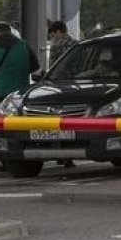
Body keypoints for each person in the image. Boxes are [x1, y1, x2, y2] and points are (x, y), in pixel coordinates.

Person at [47, 21, 78, 168]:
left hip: (60, 87)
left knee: (56, 122)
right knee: (71, 121)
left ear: (58, 32)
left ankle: (60, 155)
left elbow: (52, 68)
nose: (52, 38)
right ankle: (69, 155)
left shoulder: (56, 46)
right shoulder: (76, 44)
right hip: (77, 85)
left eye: (52, 35)